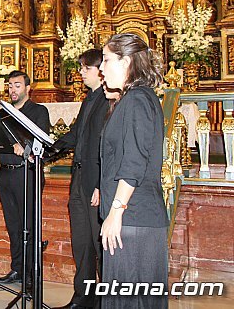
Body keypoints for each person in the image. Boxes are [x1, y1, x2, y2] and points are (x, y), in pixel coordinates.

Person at [98, 34, 168, 308]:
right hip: (134, 216)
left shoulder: (137, 100)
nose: (101, 68)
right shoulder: (135, 99)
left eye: (106, 60)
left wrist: (116, 213)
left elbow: (134, 162)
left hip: (133, 218)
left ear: (126, 62)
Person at [52, 49, 109, 309]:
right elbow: (75, 135)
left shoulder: (109, 100)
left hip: (95, 183)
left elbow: (107, 146)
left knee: (100, 245)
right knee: (82, 243)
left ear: (100, 70)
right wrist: (47, 150)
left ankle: (105, 301)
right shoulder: (89, 100)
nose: (81, 73)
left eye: (86, 68)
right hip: (78, 179)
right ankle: (83, 297)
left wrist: (101, 184)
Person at [0, 70, 50, 286]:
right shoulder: (2, 114)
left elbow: (42, 140)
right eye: (10, 85)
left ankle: (31, 272)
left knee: (29, 225)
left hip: (27, 173)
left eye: (17, 85)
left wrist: (25, 147)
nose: (12, 90)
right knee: (13, 225)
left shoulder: (38, 111)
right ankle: (17, 268)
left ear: (28, 88)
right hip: (5, 173)